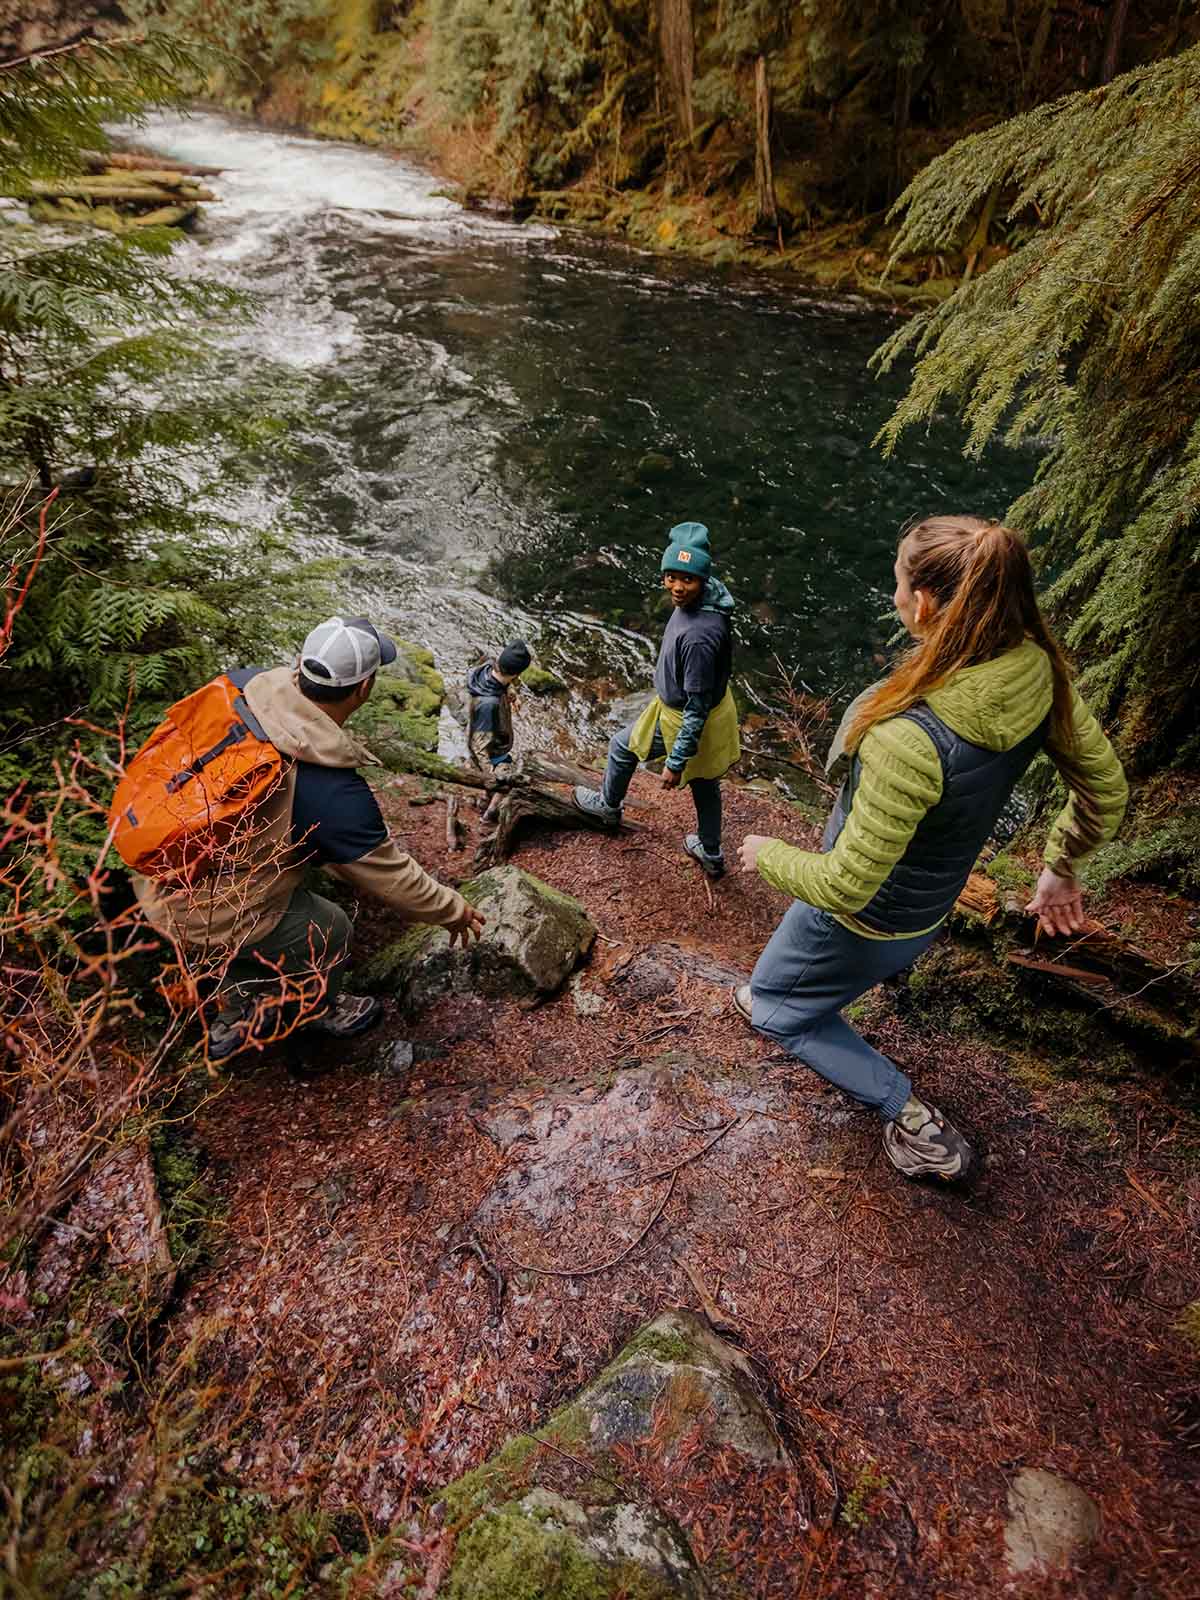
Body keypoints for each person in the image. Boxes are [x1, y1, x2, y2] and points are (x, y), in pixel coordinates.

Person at [735, 516, 1128, 1181]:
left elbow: (845, 886)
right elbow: (1106, 792)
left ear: (922, 604)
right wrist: (1060, 869)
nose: (893, 596)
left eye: (897, 582)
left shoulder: (909, 740)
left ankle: (912, 1119)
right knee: (813, 975)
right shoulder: (1036, 671)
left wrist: (766, 853)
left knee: (769, 1008)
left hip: (864, 919)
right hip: (930, 906)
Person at [133, 616, 485, 1064]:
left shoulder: (242, 686)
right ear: (364, 689)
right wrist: (454, 911)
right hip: (200, 905)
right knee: (329, 926)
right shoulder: (330, 791)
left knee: (250, 914)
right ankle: (315, 1007)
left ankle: (237, 1010)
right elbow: (392, 877)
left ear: (299, 666)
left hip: (157, 867)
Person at [573, 521, 741, 876]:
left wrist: (676, 760)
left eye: (687, 579)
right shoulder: (710, 599)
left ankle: (608, 807)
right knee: (706, 781)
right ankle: (710, 851)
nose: (677, 588)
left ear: (702, 579)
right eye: (671, 576)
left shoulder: (698, 637)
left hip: (685, 716)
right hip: (712, 708)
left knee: (622, 747)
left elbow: (695, 708)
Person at [468, 639, 531, 771]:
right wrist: (490, 775)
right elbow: (478, 747)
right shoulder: (489, 705)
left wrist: (513, 697)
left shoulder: (490, 667)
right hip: (494, 754)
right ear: (517, 674)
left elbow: (505, 681)